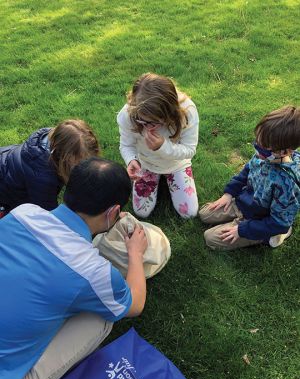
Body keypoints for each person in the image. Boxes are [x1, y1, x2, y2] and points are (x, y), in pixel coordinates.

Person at [0, 157, 148, 379]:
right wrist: (135, 253)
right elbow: (135, 304)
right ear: (114, 213)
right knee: (102, 317)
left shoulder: (23, 212)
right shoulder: (94, 271)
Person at [199, 105, 300, 250]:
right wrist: (228, 195)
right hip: (243, 204)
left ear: (285, 151)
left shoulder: (287, 184)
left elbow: (279, 223)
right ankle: (239, 216)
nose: (256, 149)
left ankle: (272, 237)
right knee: (204, 213)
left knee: (210, 238)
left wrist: (242, 230)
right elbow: (245, 173)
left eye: (262, 147)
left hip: (260, 220)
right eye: (257, 142)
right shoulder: (264, 156)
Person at [118, 72, 199, 219]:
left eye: (155, 122)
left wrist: (162, 147)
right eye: (143, 121)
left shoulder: (187, 111)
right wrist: (131, 160)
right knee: (141, 212)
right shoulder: (128, 114)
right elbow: (126, 145)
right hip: (147, 164)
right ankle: (155, 177)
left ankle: (172, 176)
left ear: (169, 113)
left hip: (176, 164)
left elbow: (190, 150)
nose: (148, 127)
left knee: (189, 213)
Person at [0, 119, 99, 215]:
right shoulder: (43, 180)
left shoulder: (54, 140)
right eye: (80, 164)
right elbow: (48, 219)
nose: (85, 168)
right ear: (63, 159)